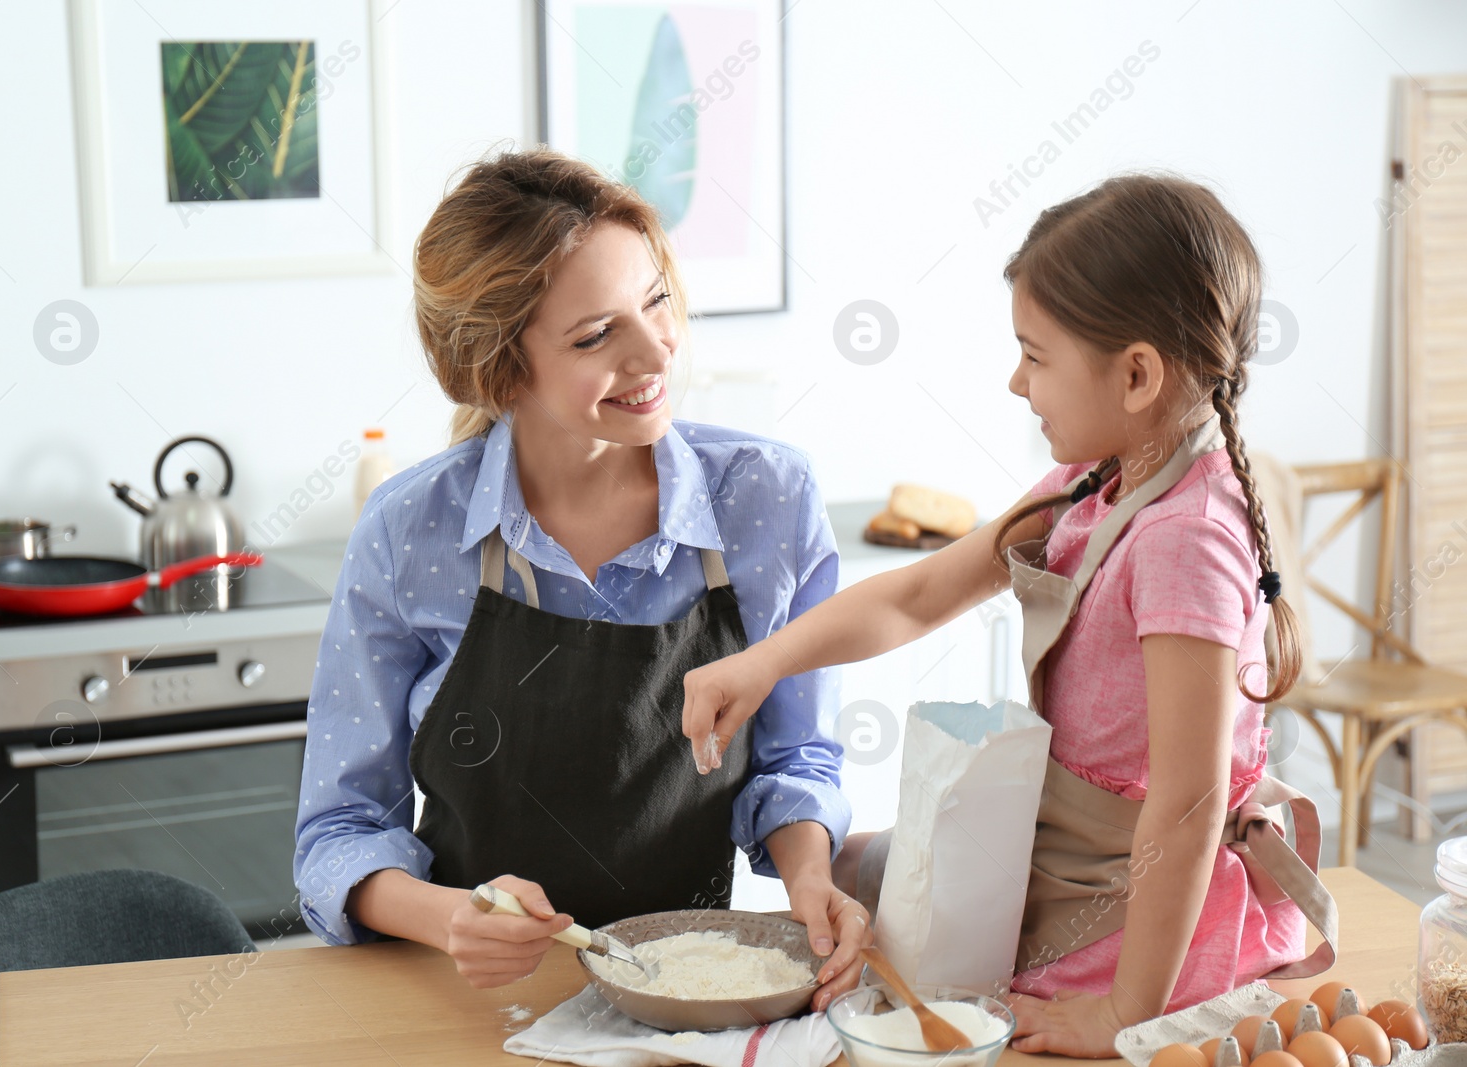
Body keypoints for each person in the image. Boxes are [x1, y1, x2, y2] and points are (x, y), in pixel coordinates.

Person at [680, 173, 1337, 1055]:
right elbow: (918, 593)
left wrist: (1122, 1017)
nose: (1016, 380)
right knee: (843, 868)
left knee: (921, 975)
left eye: (1036, 353)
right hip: (1056, 845)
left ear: (1137, 373)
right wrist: (762, 664)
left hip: (1132, 903)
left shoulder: (1188, 537)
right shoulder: (1090, 485)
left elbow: (1185, 803)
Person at [294, 147, 869, 1011]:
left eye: (656, 303)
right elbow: (338, 832)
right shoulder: (409, 532)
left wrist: (810, 877)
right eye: (596, 335)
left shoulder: (766, 500)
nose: (655, 354)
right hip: (472, 997)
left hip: (694, 993)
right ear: (498, 365)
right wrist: (453, 917)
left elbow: (795, 758)